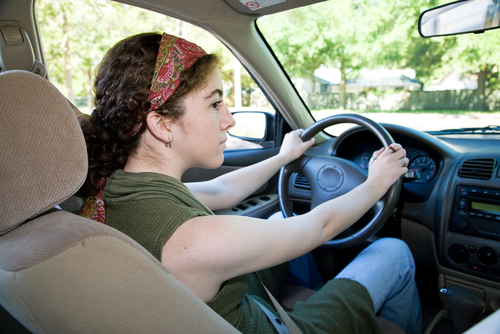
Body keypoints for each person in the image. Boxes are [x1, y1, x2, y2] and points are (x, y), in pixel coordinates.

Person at [77, 32, 422, 334]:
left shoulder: (119, 191)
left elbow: (225, 191)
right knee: (394, 251)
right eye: (214, 103)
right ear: (162, 124)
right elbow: (320, 225)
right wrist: (377, 183)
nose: (229, 119)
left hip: (235, 307)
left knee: (280, 219)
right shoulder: (192, 240)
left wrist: (283, 158)